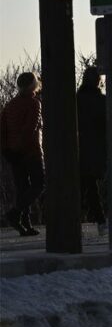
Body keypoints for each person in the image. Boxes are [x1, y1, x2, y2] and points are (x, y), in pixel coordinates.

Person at [1, 72, 43, 236]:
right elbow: (30, 130)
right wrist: (20, 148)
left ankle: (25, 224)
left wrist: (7, 150)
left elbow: (2, 130)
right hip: (31, 152)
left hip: (13, 154)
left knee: (22, 189)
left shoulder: (9, 106)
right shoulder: (34, 104)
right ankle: (15, 213)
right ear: (34, 85)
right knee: (38, 185)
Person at [77, 67, 107, 236]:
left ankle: (97, 219)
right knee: (89, 185)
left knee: (85, 186)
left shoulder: (77, 99)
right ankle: (100, 220)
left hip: (79, 147)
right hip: (95, 147)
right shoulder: (101, 101)